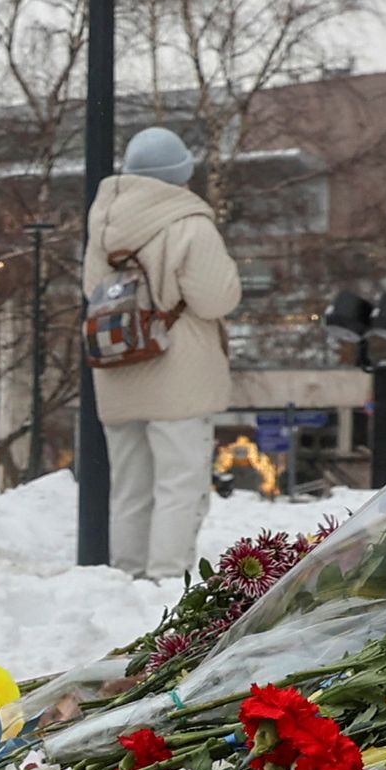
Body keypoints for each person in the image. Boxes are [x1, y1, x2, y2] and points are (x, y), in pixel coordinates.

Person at [83, 125, 240, 580]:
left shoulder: (103, 223)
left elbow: (92, 290)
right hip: (178, 374)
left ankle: (126, 578)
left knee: (131, 489)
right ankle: (166, 581)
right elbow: (216, 298)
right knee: (179, 485)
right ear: (181, 173)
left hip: (118, 367)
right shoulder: (189, 223)